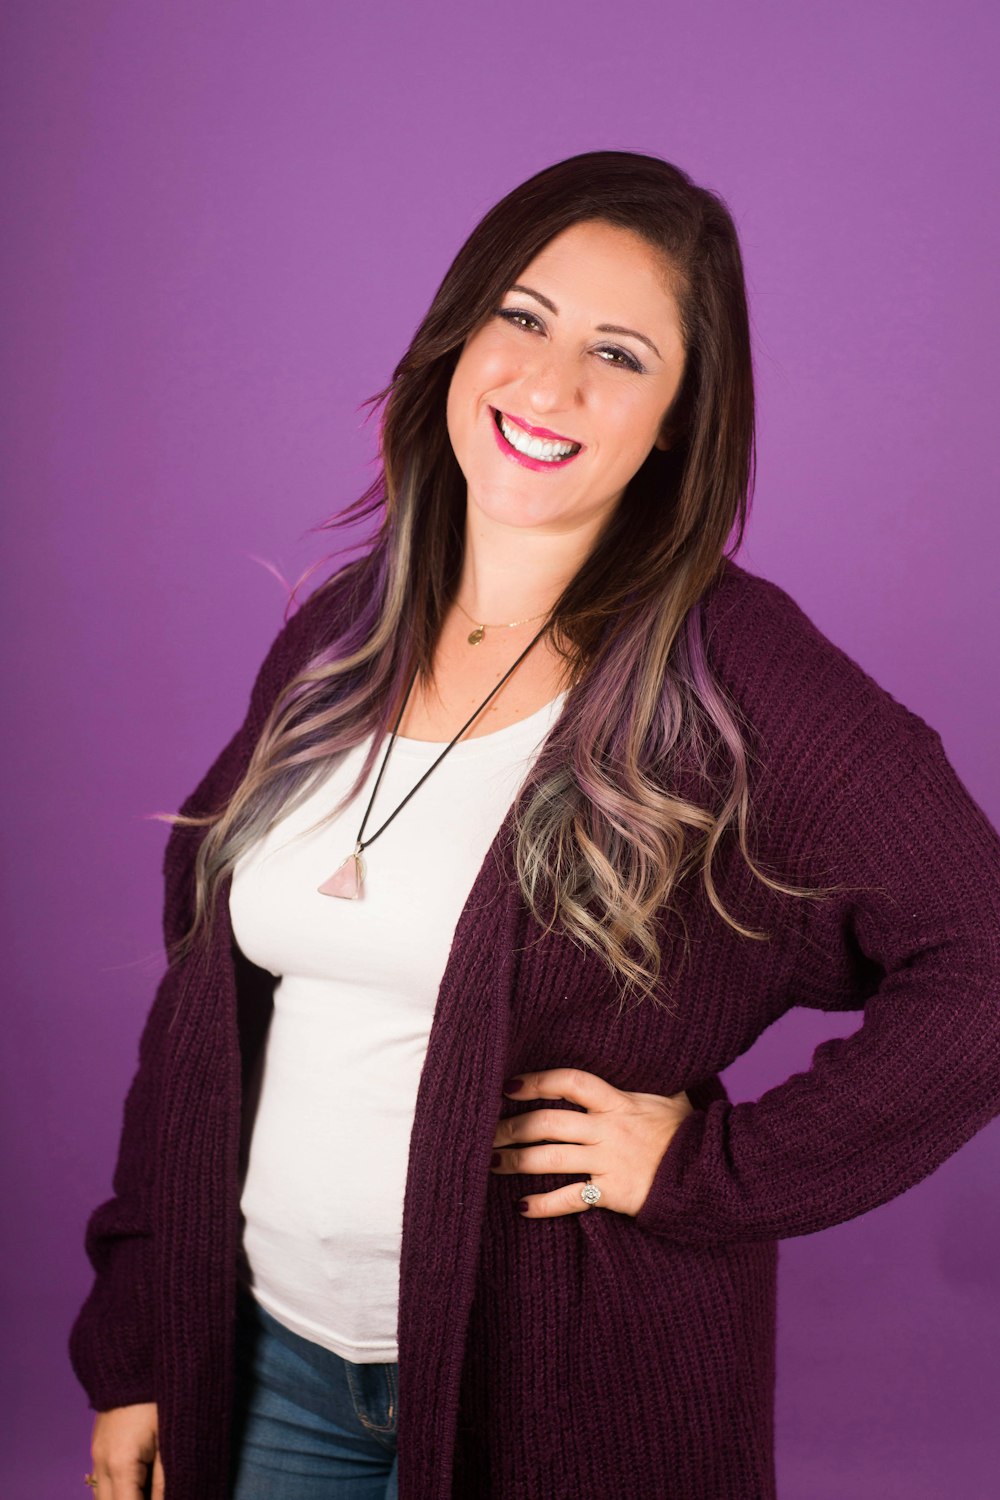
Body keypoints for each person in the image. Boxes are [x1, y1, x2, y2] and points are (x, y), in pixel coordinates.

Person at [69, 149, 1000, 1500]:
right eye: (522, 316)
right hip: (269, 1370)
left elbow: (982, 953)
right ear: (459, 336)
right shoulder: (341, 640)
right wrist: (145, 1338)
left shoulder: (738, 674)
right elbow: (201, 1012)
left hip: (572, 1397)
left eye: (620, 355)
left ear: (680, 416)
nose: (550, 384)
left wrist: (716, 1168)